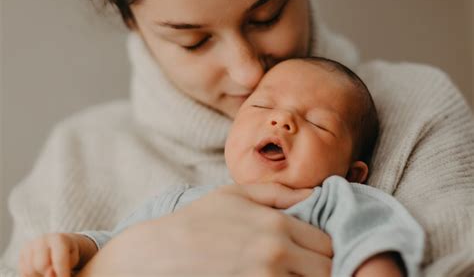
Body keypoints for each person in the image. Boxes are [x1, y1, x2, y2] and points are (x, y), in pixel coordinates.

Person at [1, 0, 473, 276]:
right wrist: (122, 264)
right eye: (194, 41)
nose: (248, 72)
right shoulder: (77, 155)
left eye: (266, 15)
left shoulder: (414, 108)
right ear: (133, 21)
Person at [18, 57, 424, 277]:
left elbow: (375, 243)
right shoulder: (179, 204)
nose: (281, 121)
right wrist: (77, 248)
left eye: (317, 122)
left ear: (352, 172)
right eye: (263, 106)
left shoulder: (335, 201)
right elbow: (119, 245)